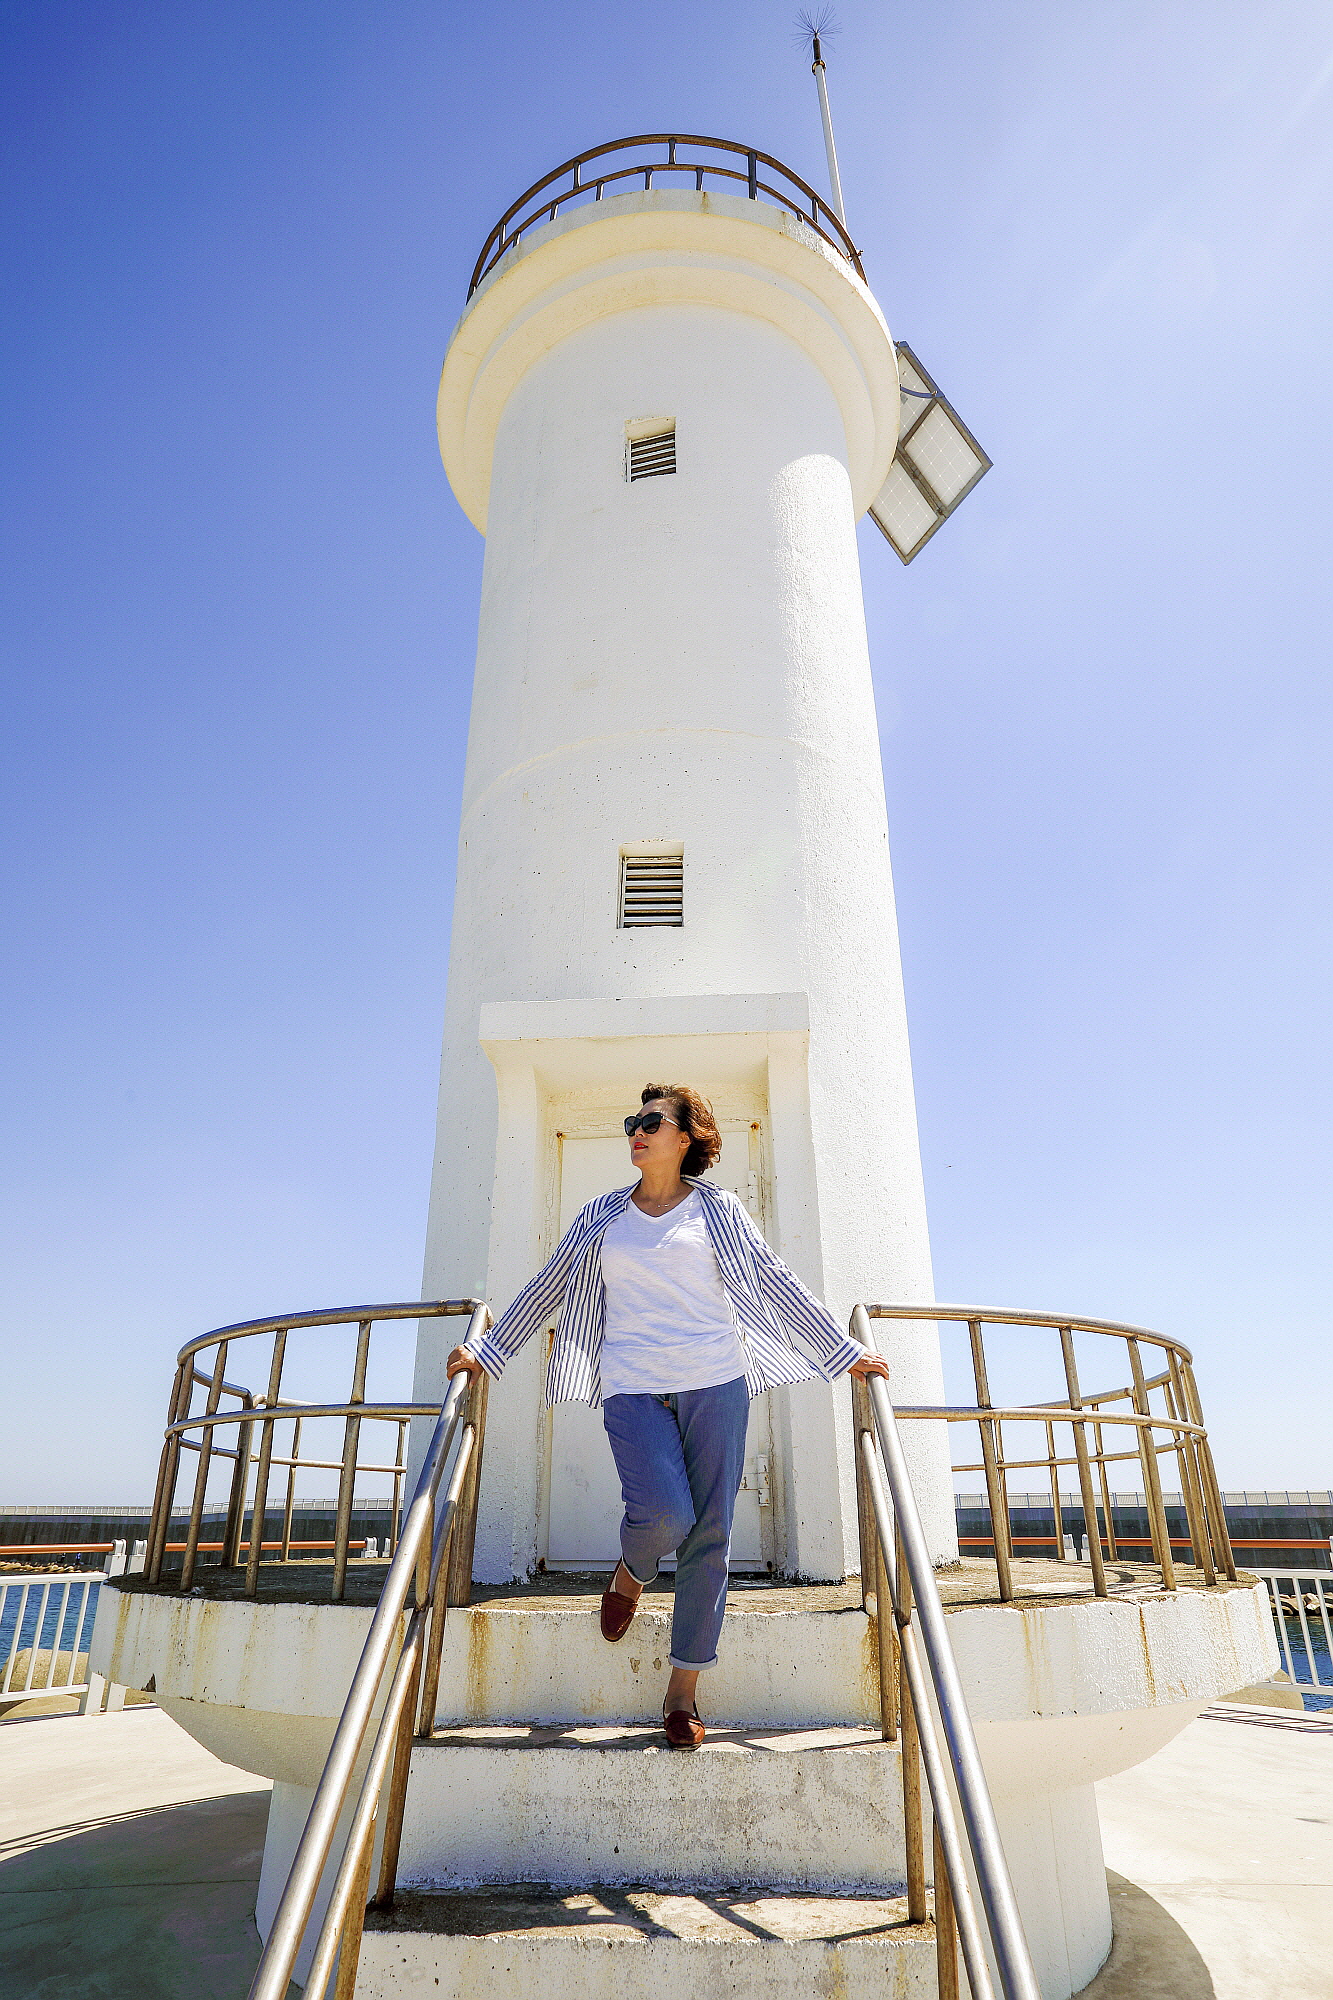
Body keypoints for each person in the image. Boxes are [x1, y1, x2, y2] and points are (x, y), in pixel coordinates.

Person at [447, 1083, 889, 1748]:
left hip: (716, 1382)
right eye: (633, 1121)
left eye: (652, 1122)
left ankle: (682, 1692)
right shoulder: (602, 1214)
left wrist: (841, 1350)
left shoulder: (718, 1209)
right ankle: (632, 1571)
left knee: (709, 1535)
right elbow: (549, 1285)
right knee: (662, 1515)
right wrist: (487, 1350)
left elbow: (772, 1279)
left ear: (685, 1138)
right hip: (631, 1386)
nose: (637, 1130)